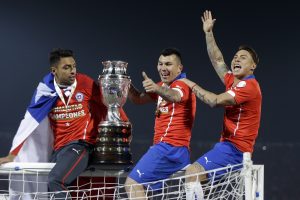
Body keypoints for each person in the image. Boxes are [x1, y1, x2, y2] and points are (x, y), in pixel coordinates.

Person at [0, 48, 127, 198]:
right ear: (54, 71)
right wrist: (12, 155)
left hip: (80, 145)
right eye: (66, 68)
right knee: (52, 190)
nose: (72, 71)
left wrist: (123, 128)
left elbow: (110, 104)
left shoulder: (85, 82)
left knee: (55, 180)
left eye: (74, 66)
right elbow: (29, 122)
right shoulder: (45, 90)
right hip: (58, 150)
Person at [182, 10, 262, 199]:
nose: (236, 59)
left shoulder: (249, 86)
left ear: (252, 66)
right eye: (235, 56)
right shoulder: (233, 81)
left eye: (242, 57)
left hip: (236, 150)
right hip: (227, 146)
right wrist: (208, 33)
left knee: (192, 173)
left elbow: (214, 101)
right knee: (198, 179)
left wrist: (190, 84)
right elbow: (218, 59)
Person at [124, 48, 196, 199]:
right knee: (144, 191)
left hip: (171, 148)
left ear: (179, 68)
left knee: (132, 183)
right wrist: (125, 82)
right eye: (160, 63)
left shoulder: (181, 84)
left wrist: (157, 88)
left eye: (168, 64)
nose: (163, 68)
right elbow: (138, 99)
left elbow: (175, 97)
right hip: (168, 148)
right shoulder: (163, 85)